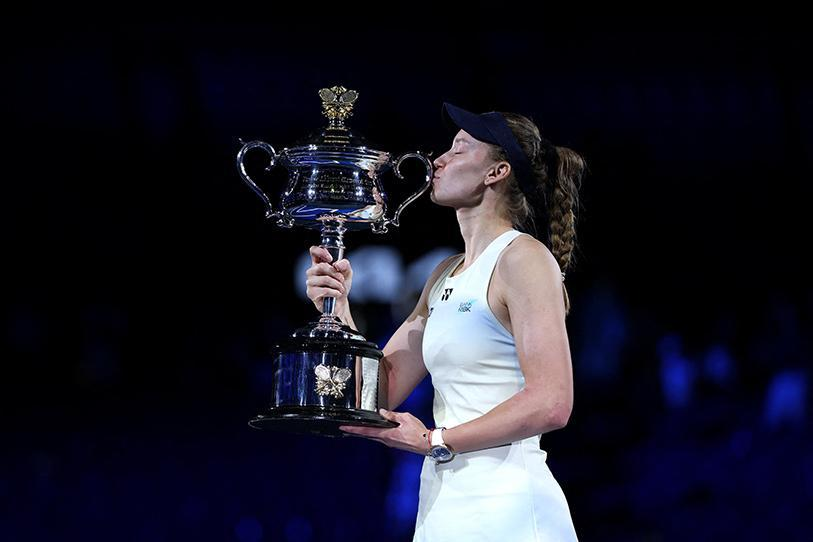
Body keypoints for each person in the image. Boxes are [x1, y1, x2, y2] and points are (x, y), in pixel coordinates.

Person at [305, 102, 586, 541]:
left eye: (459, 149)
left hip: (508, 508)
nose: (439, 159)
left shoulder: (524, 258)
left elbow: (552, 402)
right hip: (443, 506)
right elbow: (375, 391)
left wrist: (434, 439)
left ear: (496, 172)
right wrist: (338, 310)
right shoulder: (444, 275)